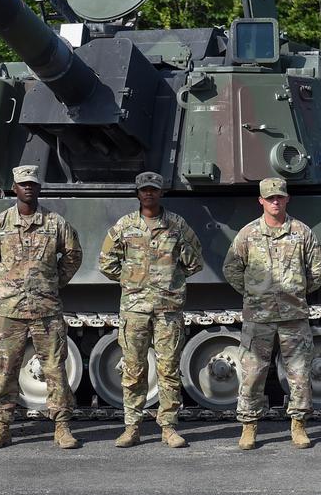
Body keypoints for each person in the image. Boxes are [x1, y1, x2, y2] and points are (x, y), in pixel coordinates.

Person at [0, 165, 83, 449]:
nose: (28, 188)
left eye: (33, 184)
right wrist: (1, 286)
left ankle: (61, 426)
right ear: (15, 188)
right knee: (5, 369)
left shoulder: (56, 223)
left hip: (46, 310)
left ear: (39, 188)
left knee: (55, 368)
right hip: (9, 312)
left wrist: (52, 283)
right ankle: (2, 427)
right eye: (23, 184)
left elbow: (73, 255)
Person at [98, 171, 203, 448]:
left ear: (160, 193)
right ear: (138, 193)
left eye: (154, 190)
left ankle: (168, 427)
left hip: (168, 309)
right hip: (135, 309)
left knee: (168, 369)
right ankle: (132, 427)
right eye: (144, 190)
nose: (149, 194)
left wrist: (172, 279)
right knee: (133, 369)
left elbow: (195, 262)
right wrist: (132, 280)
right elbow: (106, 262)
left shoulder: (177, 225)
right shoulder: (125, 226)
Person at [222, 177, 321, 450]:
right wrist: (253, 293)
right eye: (270, 198)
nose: (275, 201)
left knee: (300, 373)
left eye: (279, 196)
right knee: (253, 373)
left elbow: (318, 268)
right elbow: (232, 268)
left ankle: (299, 425)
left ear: (287, 198)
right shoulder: (248, 234)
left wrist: (298, 292)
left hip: (294, 316)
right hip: (259, 317)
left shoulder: (302, 232)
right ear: (261, 201)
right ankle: (249, 426)